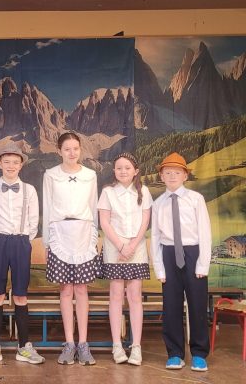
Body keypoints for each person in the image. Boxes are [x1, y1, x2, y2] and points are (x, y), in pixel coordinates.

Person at [0, 143, 44, 366]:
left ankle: (24, 347)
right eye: (6, 161)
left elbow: (33, 221)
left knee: (20, 295)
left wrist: (23, 239)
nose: (11, 165)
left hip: (20, 241)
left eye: (15, 162)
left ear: (21, 165)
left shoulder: (29, 190)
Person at [42, 131, 99, 366]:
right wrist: (47, 241)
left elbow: (93, 207)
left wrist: (94, 237)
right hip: (60, 234)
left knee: (81, 290)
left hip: (83, 234)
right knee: (66, 290)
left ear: (80, 150)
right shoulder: (50, 175)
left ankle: (83, 344)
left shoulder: (90, 175)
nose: (72, 153)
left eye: (75, 148)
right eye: (67, 149)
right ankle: (69, 343)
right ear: (59, 151)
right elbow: (47, 207)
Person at [151, 152, 211, 372]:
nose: (172, 176)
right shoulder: (158, 204)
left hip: (193, 253)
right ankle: (175, 354)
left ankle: (199, 354)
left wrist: (202, 264)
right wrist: (159, 268)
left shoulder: (196, 199)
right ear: (161, 176)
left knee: (197, 305)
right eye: (167, 172)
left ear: (185, 176)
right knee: (171, 307)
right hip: (169, 255)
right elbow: (155, 237)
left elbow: (205, 232)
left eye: (177, 172)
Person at [98, 152, 152, 366]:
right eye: (119, 168)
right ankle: (117, 345)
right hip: (115, 249)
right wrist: (121, 246)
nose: (123, 171)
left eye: (127, 168)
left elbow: (145, 222)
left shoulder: (144, 191)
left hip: (136, 249)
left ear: (135, 171)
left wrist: (131, 246)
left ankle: (136, 346)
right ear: (114, 171)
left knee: (135, 296)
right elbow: (104, 222)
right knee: (116, 295)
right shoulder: (108, 192)